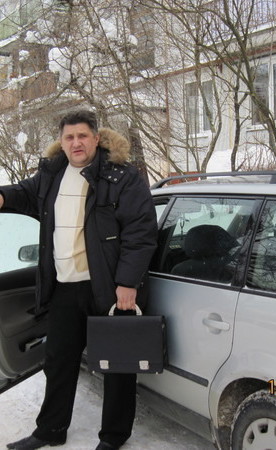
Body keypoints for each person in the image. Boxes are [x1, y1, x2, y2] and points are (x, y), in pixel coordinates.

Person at [0, 110, 158, 450]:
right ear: (61, 142)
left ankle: (113, 437)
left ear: (96, 138)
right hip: (64, 287)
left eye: (83, 136)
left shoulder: (122, 177)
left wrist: (128, 283)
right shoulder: (51, 175)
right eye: (69, 137)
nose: (76, 143)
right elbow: (23, 193)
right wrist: (2, 197)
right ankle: (50, 430)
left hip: (108, 288)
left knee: (117, 366)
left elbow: (141, 232)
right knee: (58, 362)